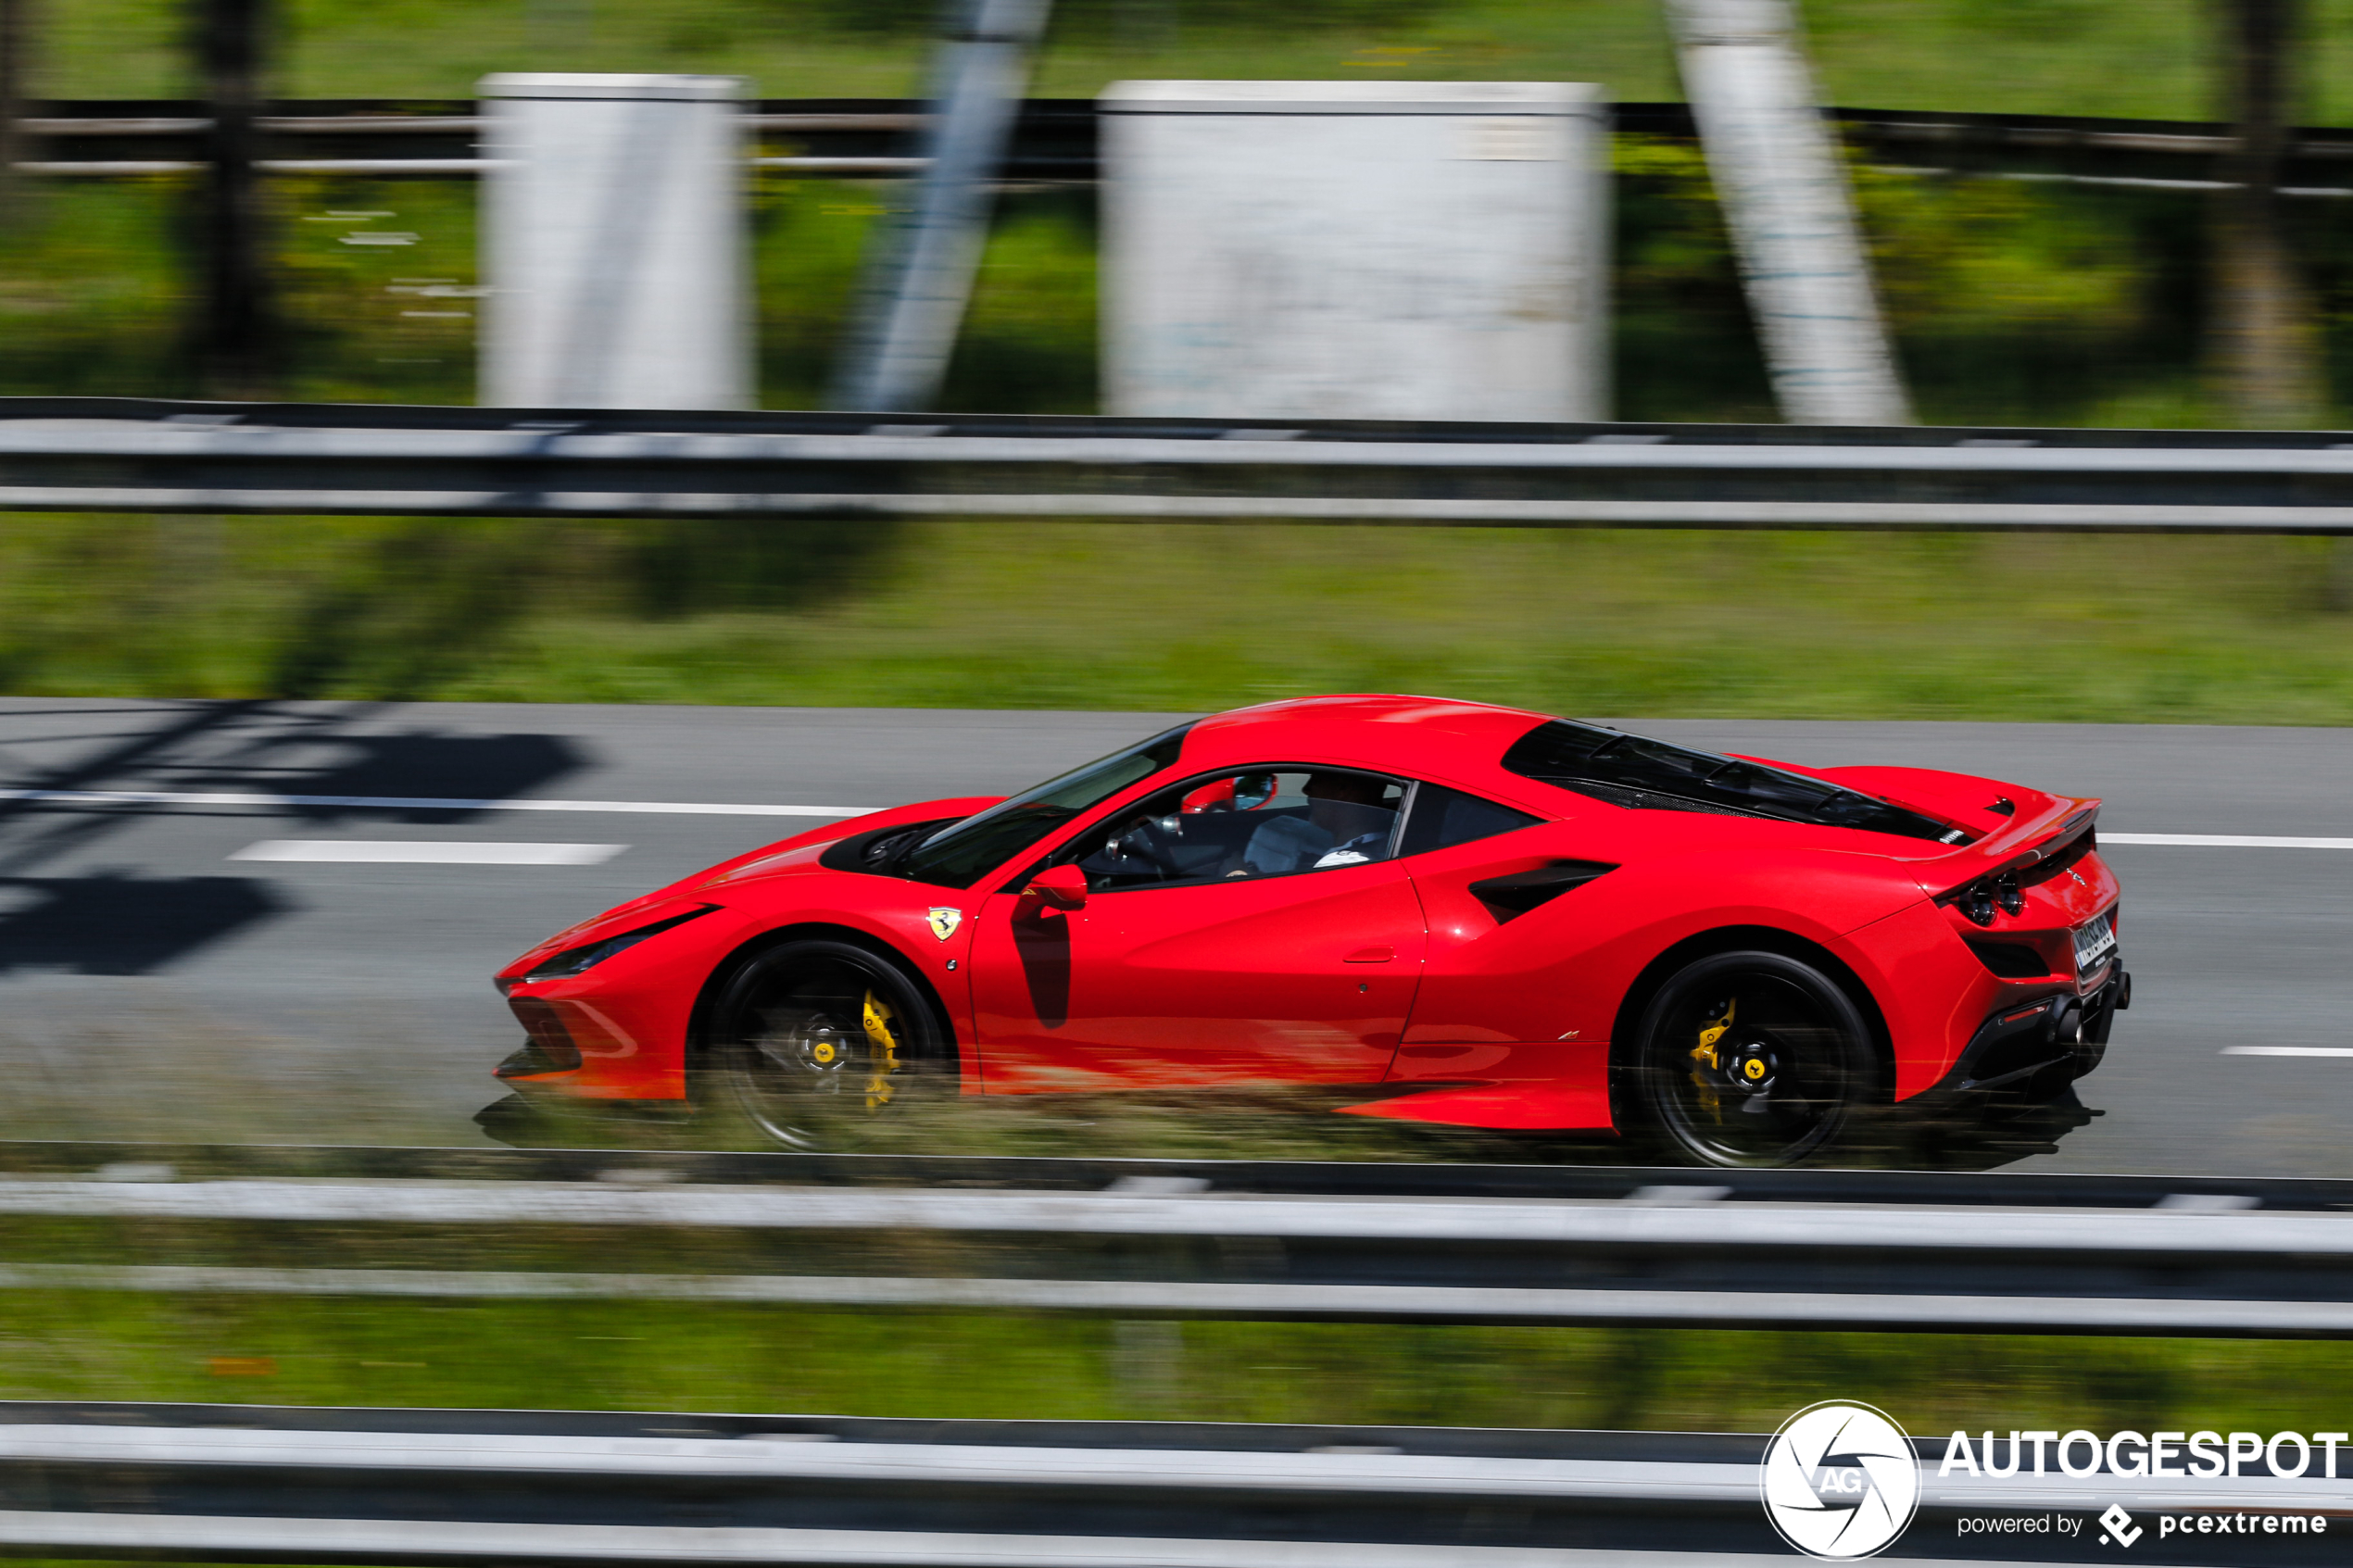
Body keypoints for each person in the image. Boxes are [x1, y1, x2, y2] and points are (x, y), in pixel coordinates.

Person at [1240, 771, 1395, 875]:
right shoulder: (1387, 841)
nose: (1306, 789)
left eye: (1316, 779)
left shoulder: (1341, 866)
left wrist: (1238, 877)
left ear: (1343, 789)